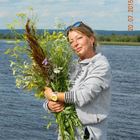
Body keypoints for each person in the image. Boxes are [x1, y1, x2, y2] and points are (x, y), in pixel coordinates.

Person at [43, 21, 112, 140]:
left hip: (88, 133)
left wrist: (53, 95)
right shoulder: (71, 66)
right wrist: (49, 105)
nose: (75, 44)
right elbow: (54, 95)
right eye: (71, 42)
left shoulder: (100, 65)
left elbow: (82, 96)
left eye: (79, 38)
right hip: (66, 132)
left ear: (91, 39)